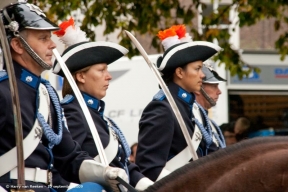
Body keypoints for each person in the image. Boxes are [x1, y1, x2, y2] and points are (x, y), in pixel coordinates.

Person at [0, 3, 128, 192]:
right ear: (18, 45)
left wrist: (104, 173)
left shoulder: (46, 94)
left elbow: (68, 156)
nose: (52, 44)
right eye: (43, 38)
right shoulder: (3, 90)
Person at [52, 18, 154, 191]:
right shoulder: (72, 112)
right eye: (101, 70)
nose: (109, 76)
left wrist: (152, 187)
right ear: (81, 77)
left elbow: (122, 167)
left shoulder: (99, 116)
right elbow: (66, 164)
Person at [135, 25, 222, 181]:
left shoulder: (193, 108)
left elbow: (212, 155)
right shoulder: (162, 108)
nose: (202, 75)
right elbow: (150, 169)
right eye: (197, 69)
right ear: (180, 72)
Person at [193, 63, 226, 152]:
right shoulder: (190, 117)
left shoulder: (209, 122)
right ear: (198, 88)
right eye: (214, 86)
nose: (219, 92)